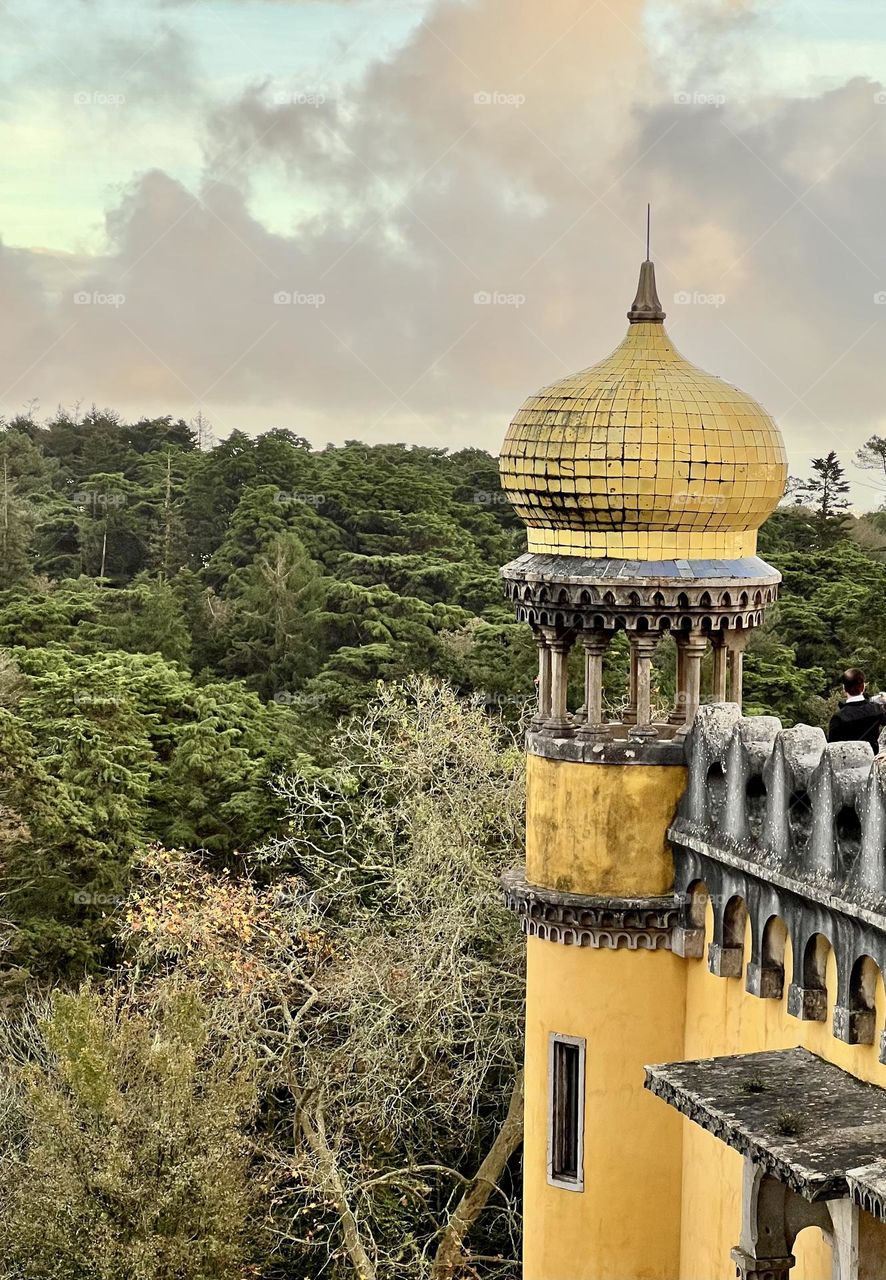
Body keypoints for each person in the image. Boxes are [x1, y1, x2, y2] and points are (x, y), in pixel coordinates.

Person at [827, 668, 886, 748]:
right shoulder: (876, 709)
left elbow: (832, 747)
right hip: (872, 756)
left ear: (844, 688)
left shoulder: (838, 717)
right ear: (863, 687)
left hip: (846, 758)